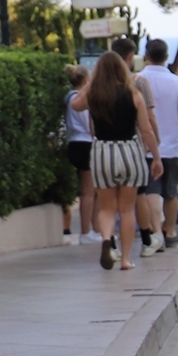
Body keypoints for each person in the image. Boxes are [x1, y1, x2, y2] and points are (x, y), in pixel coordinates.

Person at [72, 49, 159, 270]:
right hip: (130, 150)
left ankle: (107, 241)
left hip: (102, 152)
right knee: (127, 209)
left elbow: (76, 104)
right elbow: (146, 130)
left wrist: (90, 83)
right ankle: (127, 259)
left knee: (107, 208)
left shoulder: (94, 96)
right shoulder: (133, 95)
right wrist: (156, 157)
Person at [131, 40, 178, 253]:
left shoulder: (137, 80)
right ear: (166, 56)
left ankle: (155, 231)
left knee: (150, 191)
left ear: (146, 55)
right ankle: (170, 231)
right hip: (174, 146)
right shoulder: (177, 83)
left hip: (147, 147)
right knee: (171, 192)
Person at [63, 63, 98, 243]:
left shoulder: (68, 97)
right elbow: (88, 123)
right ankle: (86, 231)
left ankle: (92, 230)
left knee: (90, 190)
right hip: (85, 143)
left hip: (74, 142)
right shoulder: (80, 99)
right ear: (86, 80)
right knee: (89, 191)